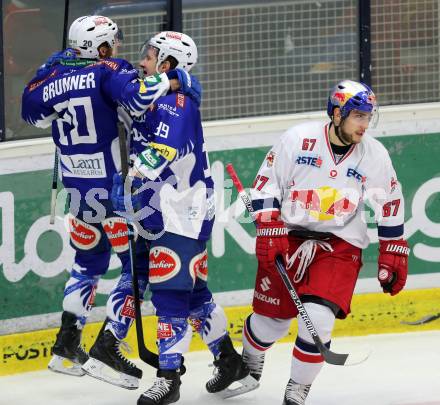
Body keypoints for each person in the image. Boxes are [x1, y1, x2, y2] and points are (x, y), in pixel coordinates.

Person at [21, 15, 200, 386]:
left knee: (88, 263)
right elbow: (136, 99)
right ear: (99, 47)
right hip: (114, 188)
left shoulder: (50, 74)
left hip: (78, 188)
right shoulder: (109, 69)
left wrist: (51, 71)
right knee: (136, 268)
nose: (117, 49)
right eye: (111, 43)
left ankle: (66, 345)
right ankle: (107, 349)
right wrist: (172, 78)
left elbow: (33, 115)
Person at [240, 80, 409, 404]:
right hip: (289, 237)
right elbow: (265, 184)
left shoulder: (373, 154)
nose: (364, 124)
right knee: (269, 324)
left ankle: (297, 389)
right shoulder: (298, 139)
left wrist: (393, 249)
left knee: (318, 318)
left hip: (339, 245)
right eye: (358, 115)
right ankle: (246, 362)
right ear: (336, 113)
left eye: (368, 116)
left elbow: (390, 201)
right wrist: (269, 225)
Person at [109, 31, 256, 404]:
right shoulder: (162, 96)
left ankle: (169, 377)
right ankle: (228, 359)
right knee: (193, 296)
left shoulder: (176, 102)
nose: (143, 61)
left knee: (171, 292)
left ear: (168, 64)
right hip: (165, 206)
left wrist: (128, 184)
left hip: (181, 212)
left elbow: (162, 151)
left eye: (151, 55)